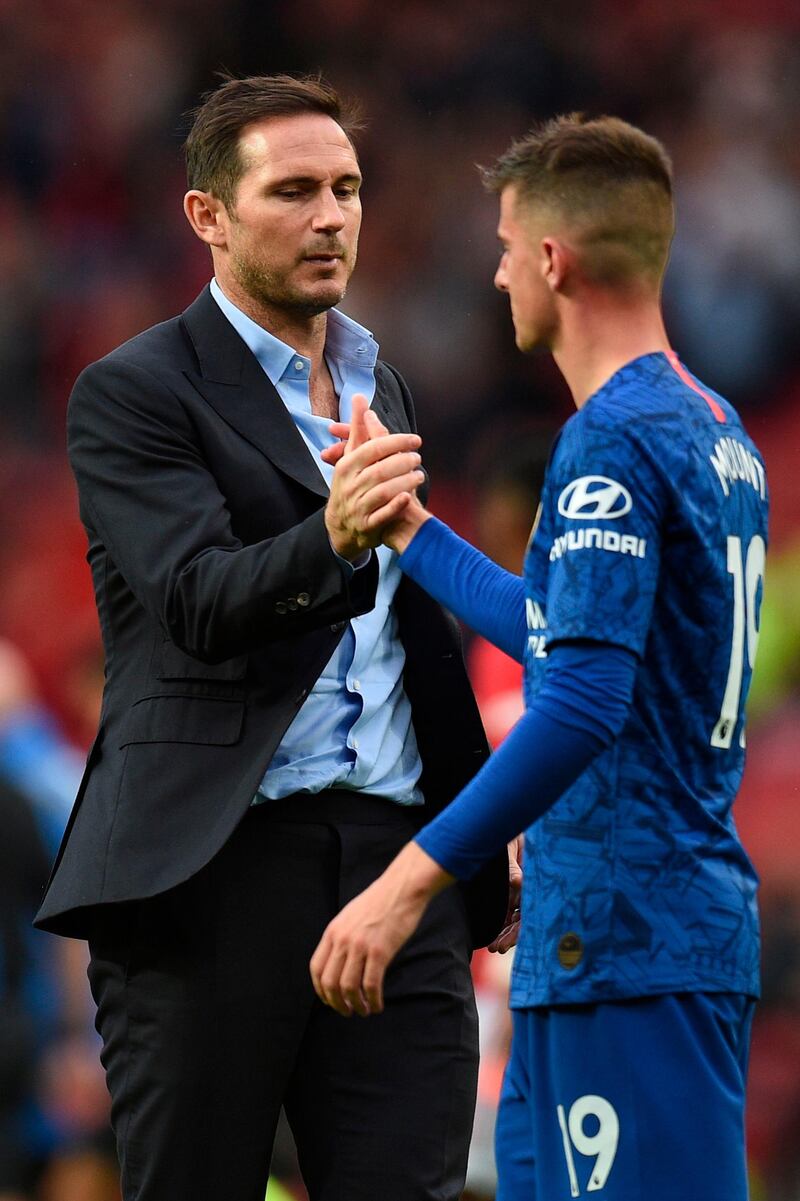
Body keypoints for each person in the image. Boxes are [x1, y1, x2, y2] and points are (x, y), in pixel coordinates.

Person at [34, 73, 507, 1201]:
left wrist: (475, 819)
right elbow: (195, 599)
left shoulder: (375, 376)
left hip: (395, 869)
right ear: (207, 214)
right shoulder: (134, 391)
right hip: (214, 873)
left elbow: (405, 628)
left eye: (345, 188)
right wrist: (335, 537)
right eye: (293, 190)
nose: (331, 215)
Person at [311, 114, 769, 1201]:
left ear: (554, 261)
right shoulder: (713, 428)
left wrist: (407, 881)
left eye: (508, 243)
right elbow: (562, 630)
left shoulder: (607, 438)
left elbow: (577, 699)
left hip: (627, 941)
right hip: (627, 940)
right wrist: (411, 530)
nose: (498, 267)